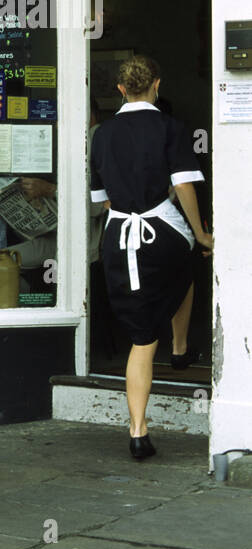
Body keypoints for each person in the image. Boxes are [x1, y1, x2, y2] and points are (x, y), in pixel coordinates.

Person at [90, 56, 212, 460]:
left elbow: (101, 200)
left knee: (141, 340)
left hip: (118, 238)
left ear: (121, 90)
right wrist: (200, 233)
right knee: (189, 263)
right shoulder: (170, 128)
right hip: (162, 233)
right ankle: (179, 347)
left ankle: (138, 430)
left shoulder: (102, 134)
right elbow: (185, 186)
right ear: (156, 85)